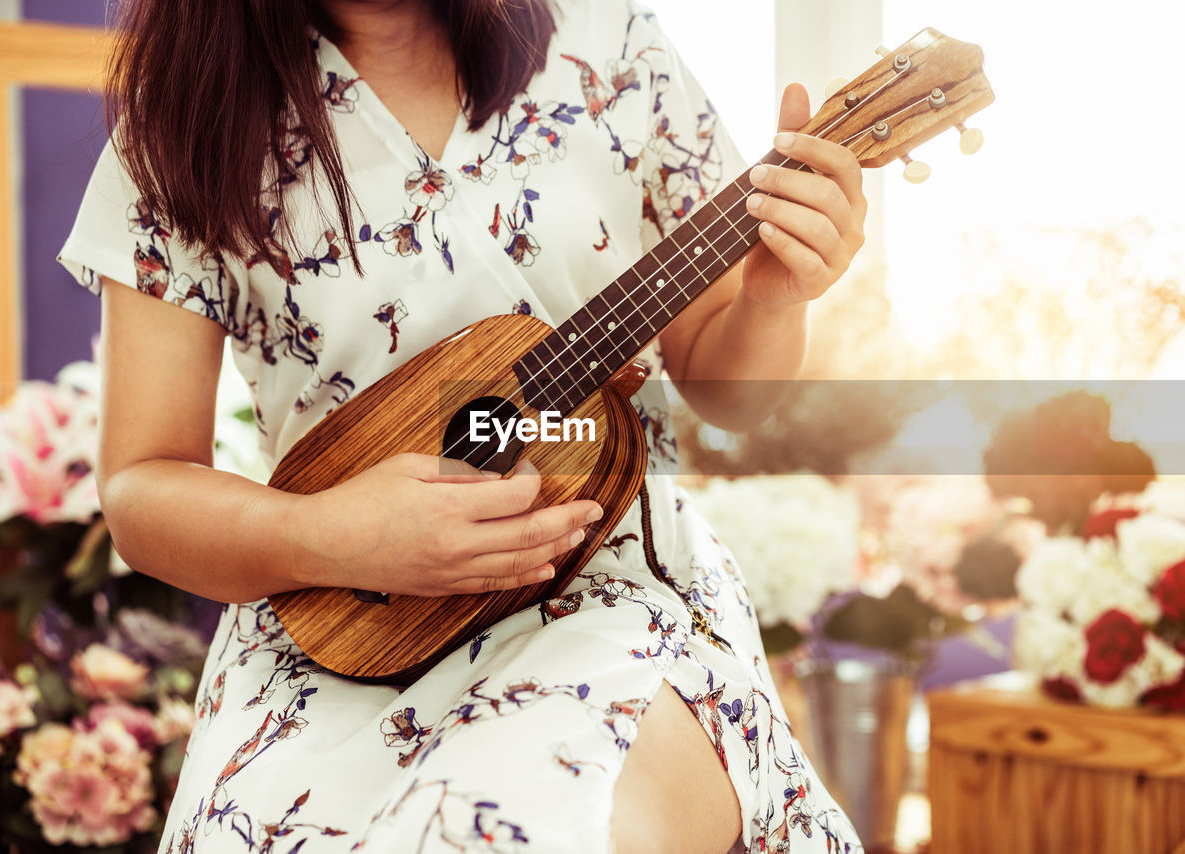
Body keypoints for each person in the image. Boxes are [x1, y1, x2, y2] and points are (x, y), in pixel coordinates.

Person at [58, 1, 867, 851]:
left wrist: (776, 303)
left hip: (606, 593)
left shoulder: (611, 43)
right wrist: (325, 536)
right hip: (337, 630)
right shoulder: (185, 116)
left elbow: (728, 389)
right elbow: (142, 484)